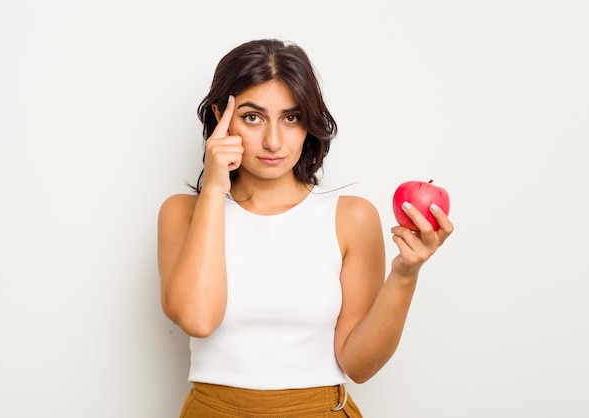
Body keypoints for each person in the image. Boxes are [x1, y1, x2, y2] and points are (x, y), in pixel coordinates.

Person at [157, 39, 453, 417]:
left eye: (291, 118)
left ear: (308, 123)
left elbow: (358, 366)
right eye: (252, 117)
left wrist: (405, 273)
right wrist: (215, 190)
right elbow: (199, 319)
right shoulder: (183, 213)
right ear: (220, 116)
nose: (273, 140)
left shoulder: (351, 217)